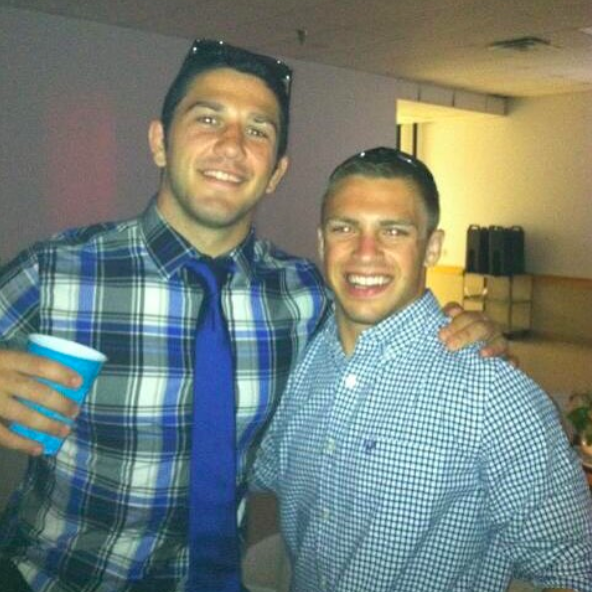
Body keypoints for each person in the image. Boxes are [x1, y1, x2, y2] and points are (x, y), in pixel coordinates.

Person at [0, 41, 504, 592]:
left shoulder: (307, 295)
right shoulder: (58, 271)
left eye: (258, 130)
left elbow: (388, 334)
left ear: (276, 172)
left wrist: (467, 331)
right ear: (159, 142)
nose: (232, 145)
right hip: (55, 578)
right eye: (208, 118)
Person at [252, 147, 592, 592]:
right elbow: (253, 470)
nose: (365, 253)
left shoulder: (492, 392)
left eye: (393, 231)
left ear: (432, 247)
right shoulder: (299, 362)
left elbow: (572, 570)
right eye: (344, 228)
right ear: (321, 241)